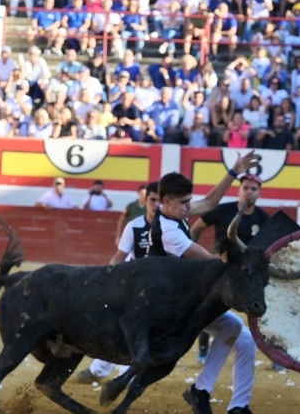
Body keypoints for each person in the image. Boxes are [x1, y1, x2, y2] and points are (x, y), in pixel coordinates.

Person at [148, 150, 261, 414]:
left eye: (189, 201)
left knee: (243, 338)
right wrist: (239, 260)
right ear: (167, 201)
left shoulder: (174, 213)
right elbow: (210, 259)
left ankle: (235, 405)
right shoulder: (168, 232)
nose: (190, 206)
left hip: (186, 297)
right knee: (234, 330)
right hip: (170, 307)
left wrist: (234, 171)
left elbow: (209, 202)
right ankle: (201, 391)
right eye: (185, 202)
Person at [76, 182, 160, 383]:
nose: (156, 205)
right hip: (133, 286)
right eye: (152, 200)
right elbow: (119, 257)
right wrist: (108, 278)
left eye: (159, 201)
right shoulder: (135, 226)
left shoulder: (170, 227)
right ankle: (110, 372)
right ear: (145, 200)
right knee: (125, 328)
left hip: (158, 289)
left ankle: (105, 370)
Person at [190, 174, 270, 366]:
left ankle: (272, 351)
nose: (249, 192)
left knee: (262, 305)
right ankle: (202, 349)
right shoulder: (223, 210)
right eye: (246, 188)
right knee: (207, 306)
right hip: (221, 267)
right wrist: (191, 250)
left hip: (248, 274)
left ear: (259, 193)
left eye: (253, 189)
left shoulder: (263, 218)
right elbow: (197, 227)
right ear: (239, 190)